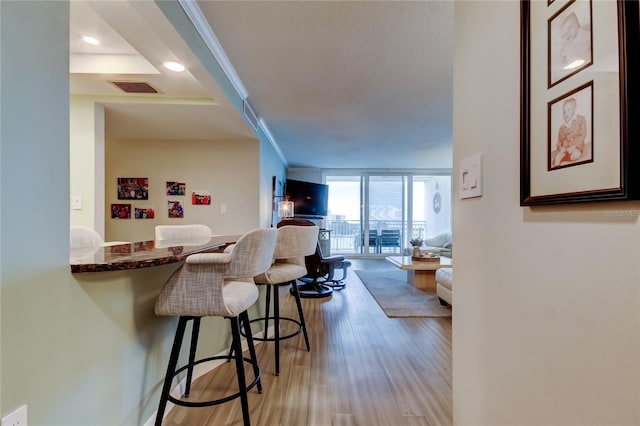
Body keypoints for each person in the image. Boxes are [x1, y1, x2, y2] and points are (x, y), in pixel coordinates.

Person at [553, 97, 586, 167]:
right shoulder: (562, 127)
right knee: (557, 157)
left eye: (568, 110)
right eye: (564, 111)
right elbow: (559, 141)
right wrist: (560, 148)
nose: (566, 113)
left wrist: (574, 146)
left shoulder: (580, 119)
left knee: (576, 155)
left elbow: (582, 134)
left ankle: (564, 158)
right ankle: (560, 158)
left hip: (576, 147)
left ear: (574, 110)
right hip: (565, 148)